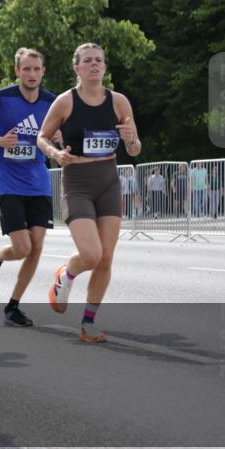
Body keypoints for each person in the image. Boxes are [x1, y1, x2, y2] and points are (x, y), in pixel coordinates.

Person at [38, 43, 141, 343]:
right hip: (77, 182)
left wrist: (132, 140)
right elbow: (42, 138)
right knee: (91, 254)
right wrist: (56, 155)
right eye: (88, 61)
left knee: (106, 258)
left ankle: (89, 324)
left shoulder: (119, 102)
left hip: (108, 181)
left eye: (99, 60)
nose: (94, 65)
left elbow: (135, 149)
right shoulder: (65, 102)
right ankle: (66, 274)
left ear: (105, 67)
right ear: (77, 68)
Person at [0, 48, 54, 329]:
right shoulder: (1, 99)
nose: (31, 74)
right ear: (17, 71)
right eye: (26, 69)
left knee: (37, 246)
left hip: (38, 181)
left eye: (36, 69)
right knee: (22, 247)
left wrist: (57, 143)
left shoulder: (52, 103)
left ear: (43, 71)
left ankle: (13, 306)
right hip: (8, 181)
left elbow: (59, 136)